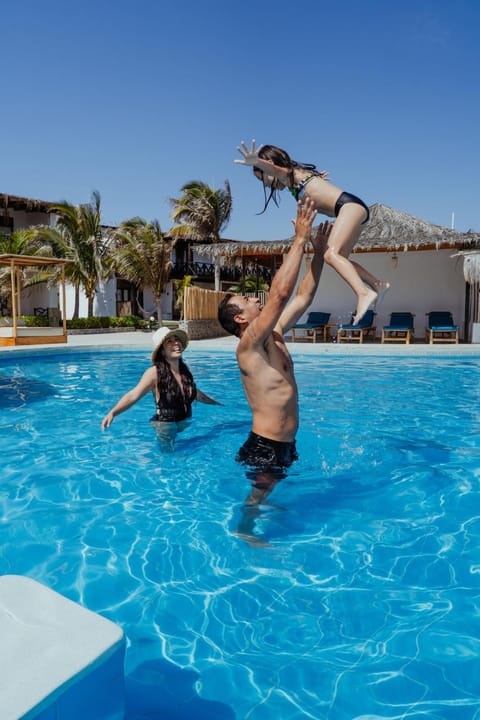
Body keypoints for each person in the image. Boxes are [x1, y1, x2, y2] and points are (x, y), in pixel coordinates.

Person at [218, 198, 330, 511]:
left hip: (284, 444)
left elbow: (303, 295)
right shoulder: (249, 343)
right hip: (266, 445)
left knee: (270, 497)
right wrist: (299, 240)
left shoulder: (273, 332)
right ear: (240, 319)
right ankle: (244, 531)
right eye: (246, 300)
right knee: (253, 503)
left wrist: (318, 255)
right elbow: (280, 295)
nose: (254, 298)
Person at [235, 140, 389, 325]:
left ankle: (364, 293)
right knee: (339, 258)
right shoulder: (295, 180)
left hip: (349, 207)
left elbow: (277, 170)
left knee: (330, 255)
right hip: (352, 208)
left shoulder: (289, 175)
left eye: (263, 178)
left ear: (271, 166)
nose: (266, 185)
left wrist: (257, 162)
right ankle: (378, 284)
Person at [101, 327, 221, 449]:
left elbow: (195, 394)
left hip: (184, 421)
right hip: (166, 425)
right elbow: (133, 395)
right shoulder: (154, 373)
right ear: (162, 351)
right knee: (170, 458)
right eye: (169, 341)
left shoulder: (185, 371)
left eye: (177, 340)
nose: (176, 343)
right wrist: (113, 412)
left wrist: (217, 404)